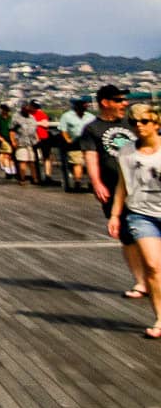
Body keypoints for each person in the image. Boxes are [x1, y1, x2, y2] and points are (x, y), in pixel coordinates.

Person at [81, 85, 144, 301]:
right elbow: (91, 156)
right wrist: (96, 182)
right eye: (119, 100)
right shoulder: (93, 129)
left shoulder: (134, 125)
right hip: (113, 188)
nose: (124, 104)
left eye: (124, 100)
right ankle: (141, 281)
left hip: (143, 188)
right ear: (105, 102)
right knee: (127, 236)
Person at [106, 104, 161, 339]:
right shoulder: (126, 152)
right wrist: (115, 215)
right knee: (152, 265)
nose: (139, 126)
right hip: (141, 213)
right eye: (134, 122)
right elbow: (122, 184)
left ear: (156, 124)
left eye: (144, 121)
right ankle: (160, 318)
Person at [58, 96, 94, 190]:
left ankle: (92, 182)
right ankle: (77, 181)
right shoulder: (67, 116)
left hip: (88, 142)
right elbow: (63, 130)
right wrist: (67, 140)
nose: (86, 106)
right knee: (77, 162)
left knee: (90, 162)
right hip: (74, 142)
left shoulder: (90, 116)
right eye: (83, 104)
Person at [0, 105, 16, 179]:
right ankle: (8, 171)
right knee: (6, 155)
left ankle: (12, 171)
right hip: (3, 138)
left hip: (12, 138)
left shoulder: (11, 118)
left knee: (11, 156)